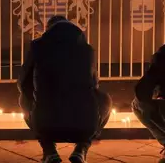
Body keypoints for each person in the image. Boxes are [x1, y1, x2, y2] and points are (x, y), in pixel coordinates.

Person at [18, 16, 111, 163]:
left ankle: (49, 151)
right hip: (83, 125)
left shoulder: (37, 47)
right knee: (105, 100)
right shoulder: (87, 51)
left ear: (48, 30)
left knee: (24, 98)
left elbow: (23, 83)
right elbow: (94, 84)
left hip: (47, 124)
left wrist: (37, 97)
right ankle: (81, 149)